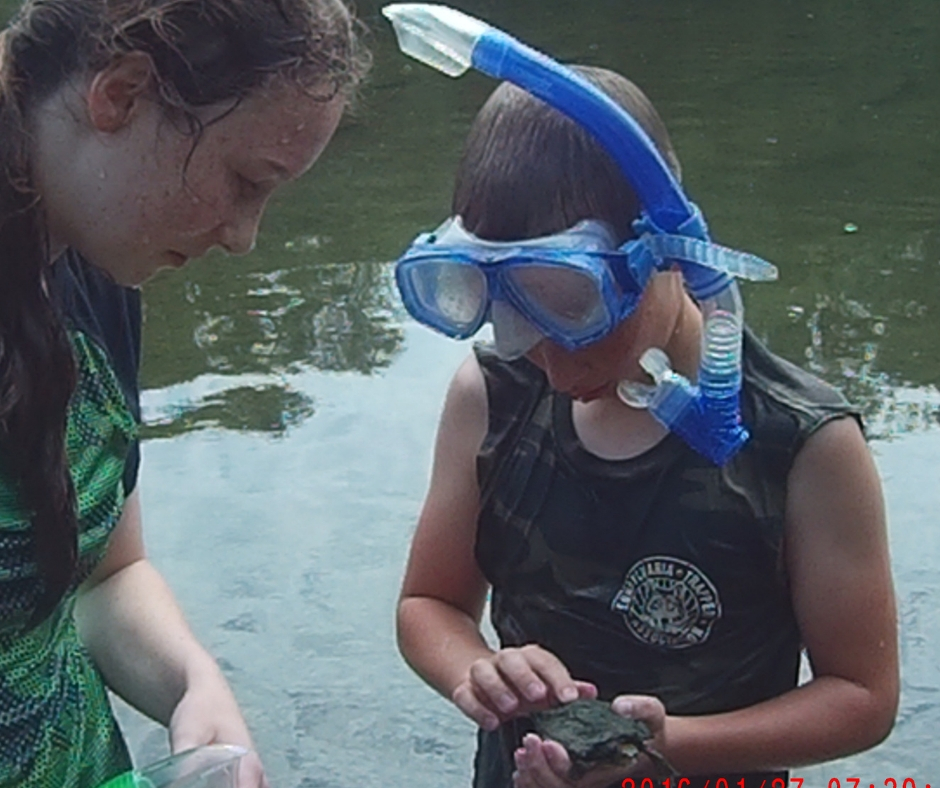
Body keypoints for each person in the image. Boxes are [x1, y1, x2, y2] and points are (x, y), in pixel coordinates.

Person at [394, 66, 899, 788]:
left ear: (670, 250)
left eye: (575, 311)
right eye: (516, 318)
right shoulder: (494, 395)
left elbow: (863, 697)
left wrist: (667, 748)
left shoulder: (803, 444)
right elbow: (428, 604)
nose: (557, 369)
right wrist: (481, 673)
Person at [0, 0, 368, 786]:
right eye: (244, 181)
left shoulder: (99, 277)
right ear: (122, 94)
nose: (244, 238)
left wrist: (193, 689)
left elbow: (106, 578)